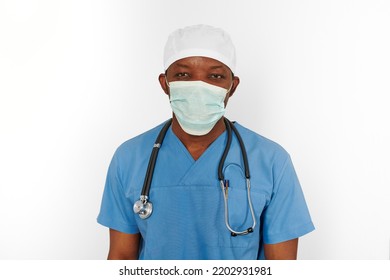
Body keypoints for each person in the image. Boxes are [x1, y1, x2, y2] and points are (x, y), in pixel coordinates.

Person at [97, 24, 314, 260]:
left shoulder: (271, 160)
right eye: (183, 75)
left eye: (215, 76)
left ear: (232, 86)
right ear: (164, 83)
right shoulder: (130, 158)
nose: (199, 87)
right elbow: (121, 258)